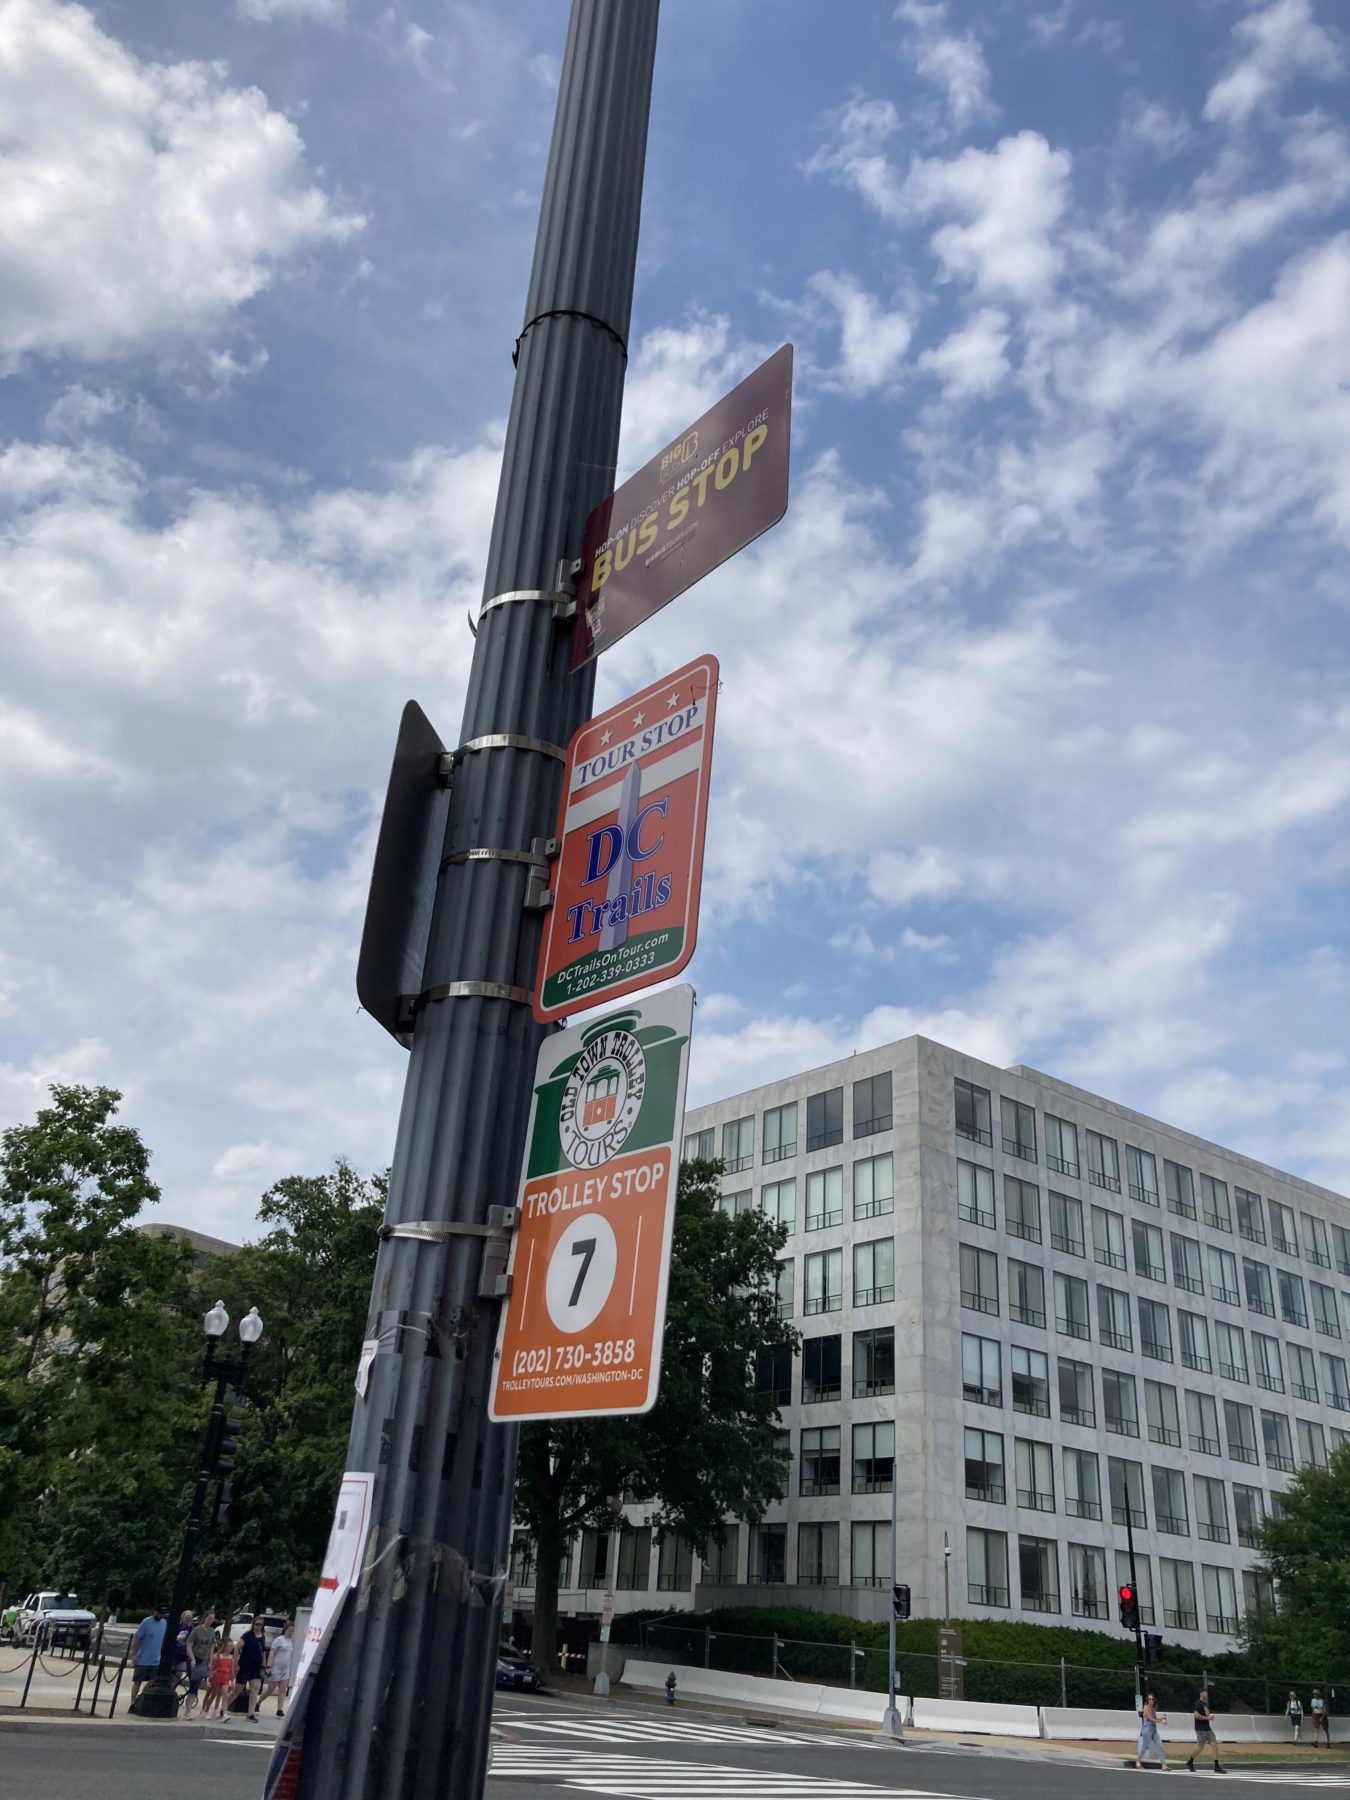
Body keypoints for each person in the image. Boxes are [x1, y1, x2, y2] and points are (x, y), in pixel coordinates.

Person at [230, 1614, 268, 1721]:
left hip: (256, 1667)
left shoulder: (262, 1636)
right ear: (253, 1624)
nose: (258, 1626)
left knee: (255, 1689)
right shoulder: (247, 1635)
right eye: (257, 1624)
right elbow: (237, 1647)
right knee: (238, 1689)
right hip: (245, 1665)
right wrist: (236, 1663)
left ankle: (250, 1713)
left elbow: (263, 1651)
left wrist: (264, 1665)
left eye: (261, 1625)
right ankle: (224, 1707)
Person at [130, 1606, 166, 1708]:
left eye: (162, 1613)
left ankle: (141, 1696)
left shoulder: (164, 1623)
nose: (160, 1615)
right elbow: (137, 1638)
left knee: (154, 1680)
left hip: (156, 1658)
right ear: (155, 1612)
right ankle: (132, 1702)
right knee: (138, 1681)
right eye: (159, 1613)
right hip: (143, 1658)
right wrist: (134, 1654)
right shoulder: (146, 1622)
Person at [183, 1610, 217, 1715]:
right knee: (193, 1683)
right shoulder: (197, 1630)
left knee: (196, 1684)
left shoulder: (212, 1631)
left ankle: (188, 1709)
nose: (211, 1621)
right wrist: (192, 1658)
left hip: (204, 1660)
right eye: (209, 1618)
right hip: (195, 1658)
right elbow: (189, 1645)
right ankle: (188, 1710)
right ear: (205, 1618)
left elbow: (211, 1648)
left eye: (213, 1619)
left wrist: (211, 1662)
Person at [1187, 1688, 1225, 1774]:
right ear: (1201, 1694)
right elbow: (1196, 1715)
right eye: (1204, 1693)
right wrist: (1208, 1718)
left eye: (1207, 1693)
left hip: (1207, 1728)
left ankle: (1216, 1766)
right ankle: (1190, 1761)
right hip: (1200, 1729)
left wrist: (1208, 1717)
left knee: (1214, 1745)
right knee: (1200, 1748)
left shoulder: (1206, 1703)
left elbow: (1205, 1713)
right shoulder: (1198, 1703)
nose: (1206, 1695)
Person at [262, 1621, 294, 1718]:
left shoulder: (290, 1641)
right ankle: (258, 1702)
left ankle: (279, 1709)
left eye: (292, 1631)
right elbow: (272, 1652)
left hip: (285, 1668)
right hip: (276, 1667)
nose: (291, 1632)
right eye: (289, 1630)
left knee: (283, 1688)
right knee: (271, 1689)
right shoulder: (279, 1640)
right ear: (286, 1629)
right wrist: (269, 1666)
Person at [1131, 1693, 1168, 1771]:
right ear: (1147, 1700)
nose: (1151, 1701)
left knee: (1160, 1745)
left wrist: (1161, 1719)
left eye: (1152, 1699)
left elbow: (1155, 1718)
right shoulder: (1146, 1708)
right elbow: (1150, 1719)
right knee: (1145, 1746)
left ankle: (1163, 1764)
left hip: (1154, 1729)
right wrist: (1160, 1722)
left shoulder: (1154, 1708)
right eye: (1149, 1699)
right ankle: (1138, 1761)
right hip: (1147, 1729)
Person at [201, 1636, 234, 1719]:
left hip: (226, 1678)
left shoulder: (231, 1658)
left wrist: (232, 1681)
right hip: (217, 1677)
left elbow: (232, 1671)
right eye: (229, 1646)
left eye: (231, 1646)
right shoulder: (218, 1656)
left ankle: (224, 1713)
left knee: (225, 1696)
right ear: (224, 1647)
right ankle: (206, 1711)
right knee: (213, 1695)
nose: (230, 1648)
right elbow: (213, 1667)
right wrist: (210, 1675)